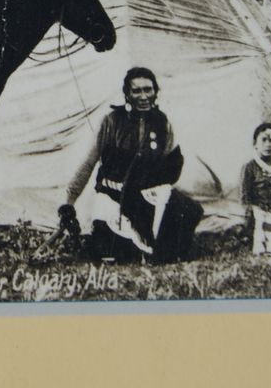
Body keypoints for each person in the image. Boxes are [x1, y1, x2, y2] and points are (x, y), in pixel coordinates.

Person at [58, 67, 201, 262]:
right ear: (127, 94)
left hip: (143, 199)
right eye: (137, 91)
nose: (143, 96)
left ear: (155, 92)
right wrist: (69, 203)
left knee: (184, 214)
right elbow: (88, 163)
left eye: (148, 90)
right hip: (112, 195)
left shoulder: (162, 123)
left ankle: (157, 252)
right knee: (111, 250)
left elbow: (171, 166)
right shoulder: (111, 121)